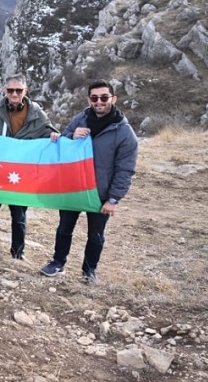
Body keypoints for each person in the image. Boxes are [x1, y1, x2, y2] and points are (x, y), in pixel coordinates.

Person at [40, 80, 138, 284]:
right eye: (95, 98)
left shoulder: (124, 133)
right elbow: (62, 141)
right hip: (74, 187)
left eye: (104, 97)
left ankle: (89, 270)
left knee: (96, 235)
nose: (99, 102)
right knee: (64, 228)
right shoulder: (80, 119)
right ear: (89, 100)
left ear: (113, 99)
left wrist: (113, 199)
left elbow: (125, 169)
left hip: (100, 193)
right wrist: (71, 135)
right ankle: (58, 263)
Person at [0, 75, 58, 261]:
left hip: (19, 174)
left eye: (18, 90)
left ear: (26, 91)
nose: (14, 94)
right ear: (5, 91)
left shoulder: (36, 112)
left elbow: (47, 130)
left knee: (19, 216)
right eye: (11, 90)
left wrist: (55, 135)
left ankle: (18, 252)